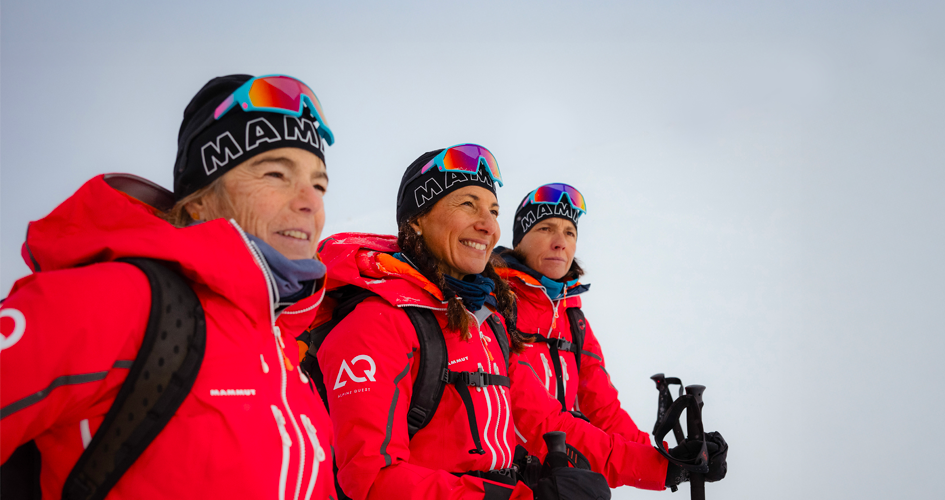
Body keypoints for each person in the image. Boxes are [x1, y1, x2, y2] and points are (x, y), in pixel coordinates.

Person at [313, 145, 726, 499]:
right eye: (467, 204)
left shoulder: (486, 321)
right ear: (416, 220)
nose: (487, 224)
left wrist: (664, 466)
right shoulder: (377, 321)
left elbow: (540, 418)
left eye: (492, 209)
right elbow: (368, 480)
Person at [0, 74, 338, 499]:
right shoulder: (117, 300)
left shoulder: (287, 355)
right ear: (200, 200)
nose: (310, 200)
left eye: (319, 183)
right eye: (275, 174)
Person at [494, 183, 651, 448]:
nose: (560, 243)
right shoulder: (495, 304)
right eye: (546, 229)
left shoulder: (573, 319)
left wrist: (660, 457)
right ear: (519, 241)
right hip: (503, 479)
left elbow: (603, 410)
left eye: (570, 232)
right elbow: (528, 413)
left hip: (559, 472)